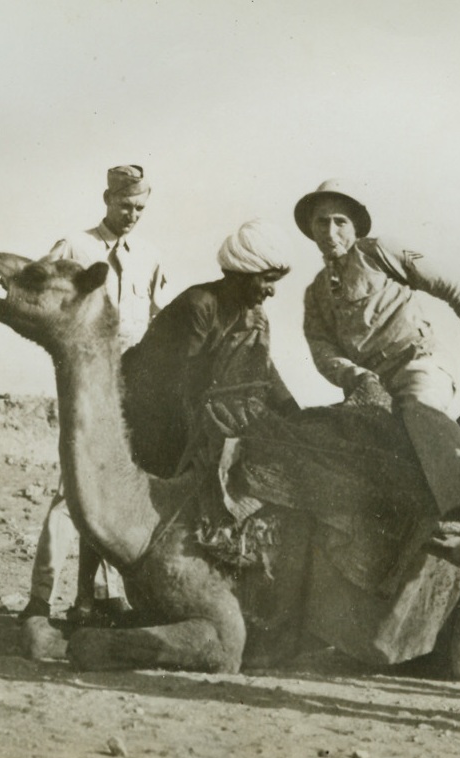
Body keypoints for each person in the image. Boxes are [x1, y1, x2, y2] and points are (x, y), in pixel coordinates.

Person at [296, 179, 460, 514]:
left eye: (340, 221)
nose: (330, 230)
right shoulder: (316, 293)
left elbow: (449, 285)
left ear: (355, 227)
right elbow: (322, 349)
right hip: (370, 385)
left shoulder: (379, 251)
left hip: (418, 364)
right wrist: (355, 375)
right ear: (311, 229)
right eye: (321, 222)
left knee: (419, 410)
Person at [20, 165, 168, 623]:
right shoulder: (75, 246)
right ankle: (39, 600)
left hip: (132, 386)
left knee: (114, 490)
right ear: (107, 198)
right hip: (86, 384)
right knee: (72, 493)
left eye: (141, 207)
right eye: (125, 205)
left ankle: (99, 597)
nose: (132, 215)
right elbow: (36, 292)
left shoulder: (149, 256)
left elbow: (159, 317)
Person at [122, 218, 299, 479]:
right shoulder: (200, 305)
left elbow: (264, 368)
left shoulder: (252, 313)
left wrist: (293, 414)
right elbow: (184, 378)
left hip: (190, 409)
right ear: (242, 274)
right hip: (152, 412)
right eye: (267, 279)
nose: (272, 291)